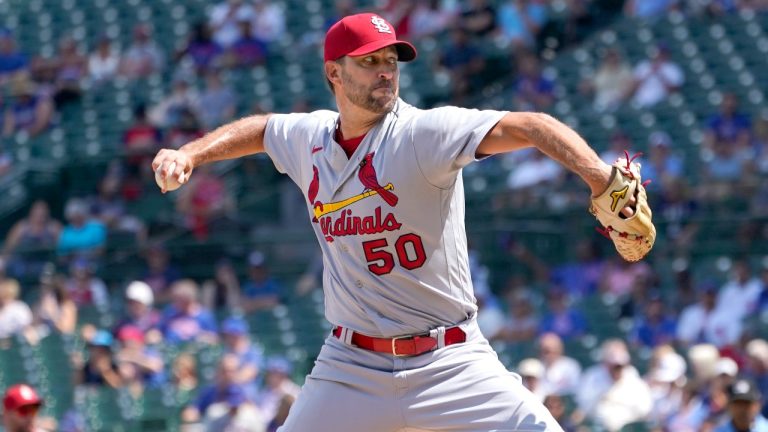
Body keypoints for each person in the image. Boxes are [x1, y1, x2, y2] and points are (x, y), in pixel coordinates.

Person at [153, 12, 641, 431]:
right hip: (350, 365)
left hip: (448, 359)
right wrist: (190, 153)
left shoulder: (422, 134)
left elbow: (529, 126)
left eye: (391, 61)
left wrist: (599, 177)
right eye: (369, 62)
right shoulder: (309, 138)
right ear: (334, 73)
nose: (385, 72)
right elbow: (261, 129)